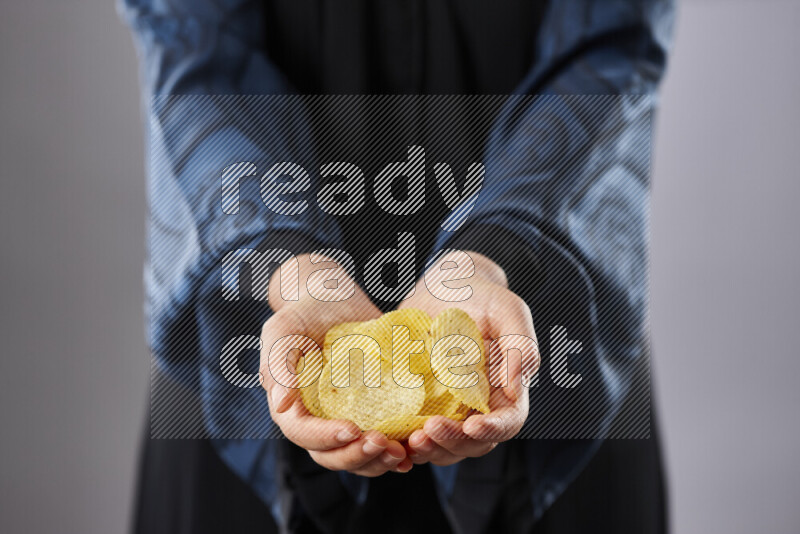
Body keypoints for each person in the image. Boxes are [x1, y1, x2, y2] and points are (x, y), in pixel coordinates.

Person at [121, 1, 673, 533]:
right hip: (253, 354)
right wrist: (285, 258)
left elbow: (611, 44)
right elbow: (193, 47)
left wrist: (495, 250)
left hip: (541, 350)